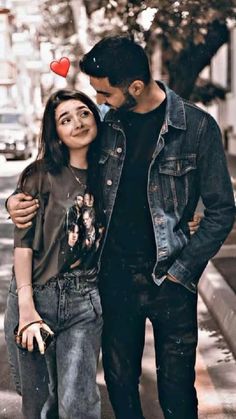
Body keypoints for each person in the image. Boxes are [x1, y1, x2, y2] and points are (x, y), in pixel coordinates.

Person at [6, 35, 233, 419]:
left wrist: (183, 271)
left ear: (135, 87)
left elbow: (222, 211)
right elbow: (59, 170)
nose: (99, 102)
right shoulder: (105, 125)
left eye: (105, 93)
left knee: (178, 394)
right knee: (121, 387)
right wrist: (16, 199)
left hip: (171, 281)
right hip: (112, 280)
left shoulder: (197, 128)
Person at [4, 89, 104, 419]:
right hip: (34, 296)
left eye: (84, 113)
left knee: (78, 406)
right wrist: (27, 308)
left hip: (83, 300)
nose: (77, 122)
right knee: (39, 406)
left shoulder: (111, 177)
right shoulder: (39, 175)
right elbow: (23, 246)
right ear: (56, 132)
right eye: (66, 119)